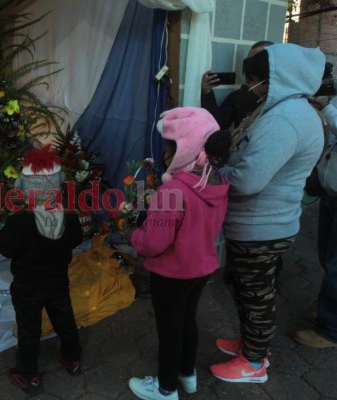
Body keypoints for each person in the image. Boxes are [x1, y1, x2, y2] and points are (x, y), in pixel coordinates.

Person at [210, 43, 326, 383]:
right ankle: (251, 344)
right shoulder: (278, 110)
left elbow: (249, 179)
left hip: (263, 228)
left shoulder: (288, 119)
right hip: (256, 225)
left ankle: (255, 362)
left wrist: (218, 176)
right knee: (246, 288)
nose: (251, 86)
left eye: (258, 79)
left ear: (280, 78)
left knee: (256, 295)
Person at [128, 107, 231, 400]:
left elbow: (153, 243)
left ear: (185, 149)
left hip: (172, 274)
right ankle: (188, 374)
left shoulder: (174, 192)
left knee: (169, 329)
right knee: (187, 322)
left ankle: (165, 388)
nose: (163, 155)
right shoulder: (216, 182)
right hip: (201, 268)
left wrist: (134, 235)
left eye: (169, 148)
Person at [0, 145, 83, 395]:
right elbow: (76, 239)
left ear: (24, 186)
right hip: (57, 280)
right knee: (65, 318)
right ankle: (73, 358)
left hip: (27, 285)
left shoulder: (19, 220)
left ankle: (28, 374)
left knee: (29, 329)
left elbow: (6, 249)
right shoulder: (68, 214)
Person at [293, 95, 337, 349]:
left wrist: (327, 108)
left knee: (335, 265)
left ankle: (330, 330)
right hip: (330, 195)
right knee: (327, 258)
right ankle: (327, 310)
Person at [201, 41, 273, 130]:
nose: (252, 64)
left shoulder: (284, 100)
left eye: (258, 58)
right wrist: (207, 93)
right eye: (250, 60)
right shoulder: (240, 96)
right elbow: (217, 122)